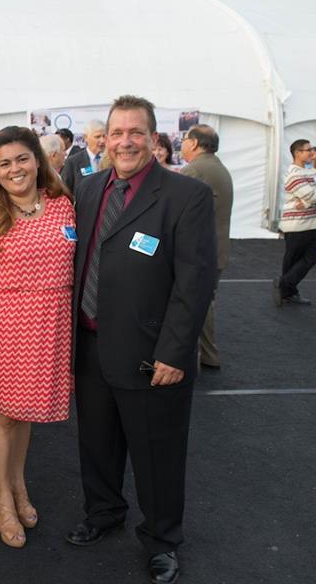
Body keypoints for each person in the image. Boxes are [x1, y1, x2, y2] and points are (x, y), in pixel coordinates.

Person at [66, 95, 217, 584]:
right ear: (104, 140)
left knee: (157, 454)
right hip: (89, 346)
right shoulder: (87, 189)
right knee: (96, 443)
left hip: (152, 357)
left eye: (136, 133)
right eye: (116, 133)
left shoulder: (184, 196)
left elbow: (195, 283)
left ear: (154, 139)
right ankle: (103, 513)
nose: (125, 142)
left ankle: (162, 539)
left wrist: (174, 351)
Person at [0, 126, 75, 548]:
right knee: (5, 414)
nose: (15, 168)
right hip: (2, 327)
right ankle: (2, 498)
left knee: (25, 413)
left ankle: (19, 485)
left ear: (38, 160)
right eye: (4, 163)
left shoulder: (62, 205)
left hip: (50, 325)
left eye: (22, 158)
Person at [179, 124, 233, 370]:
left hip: (201, 253)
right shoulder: (216, 166)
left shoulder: (195, 170)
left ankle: (206, 355)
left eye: (185, 139)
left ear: (194, 143)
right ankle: (208, 354)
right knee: (206, 301)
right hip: (216, 250)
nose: (182, 144)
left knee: (198, 303)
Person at [275, 140, 316, 305]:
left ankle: (285, 286)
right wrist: (313, 198)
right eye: (308, 150)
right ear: (297, 153)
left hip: (310, 221)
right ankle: (287, 289)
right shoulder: (293, 175)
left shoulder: (313, 172)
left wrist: (306, 202)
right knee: (294, 258)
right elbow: (315, 196)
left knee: (309, 257)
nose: (312, 153)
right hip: (296, 223)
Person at [60, 119, 106, 195]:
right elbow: (65, 191)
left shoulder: (111, 160)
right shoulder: (73, 162)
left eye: (104, 136)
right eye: (97, 137)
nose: (102, 140)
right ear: (86, 138)